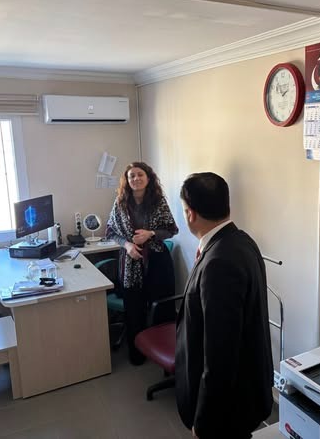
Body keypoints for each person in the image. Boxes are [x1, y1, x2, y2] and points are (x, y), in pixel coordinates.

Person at [175, 172, 273, 439]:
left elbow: (220, 356)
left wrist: (204, 422)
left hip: (228, 408)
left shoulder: (218, 263)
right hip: (246, 386)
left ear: (191, 214)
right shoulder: (241, 240)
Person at [106, 161, 178, 365]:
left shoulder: (158, 201)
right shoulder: (120, 203)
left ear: (148, 178)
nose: (136, 179)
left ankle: (165, 356)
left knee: (161, 308)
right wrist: (127, 245)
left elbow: (172, 229)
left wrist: (151, 233)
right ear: (127, 180)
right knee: (134, 310)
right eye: (132, 176)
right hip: (130, 262)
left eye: (140, 175)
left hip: (157, 261)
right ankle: (137, 354)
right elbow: (110, 231)